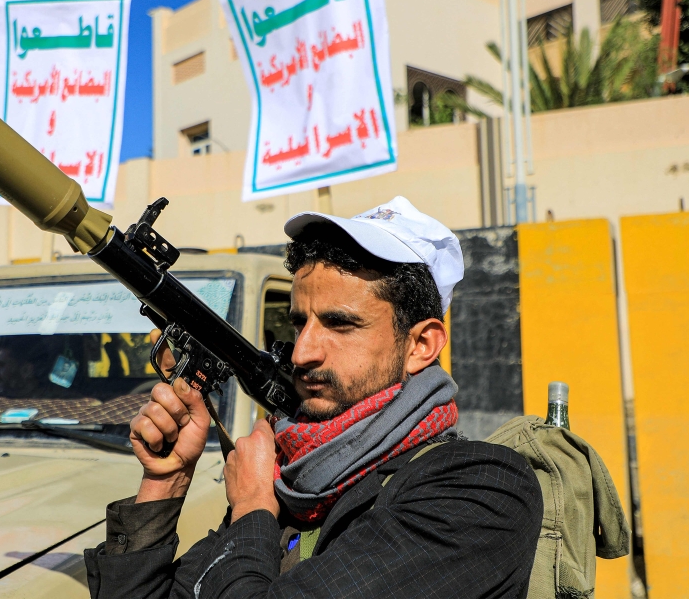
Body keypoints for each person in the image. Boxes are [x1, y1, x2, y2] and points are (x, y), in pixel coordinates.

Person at [84, 196, 544, 598]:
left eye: (340, 324)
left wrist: (250, 511)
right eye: (300, 323)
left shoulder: (479, 491)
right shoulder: (293, 481)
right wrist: (166, 482)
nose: (302, 351)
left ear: (421, 345)